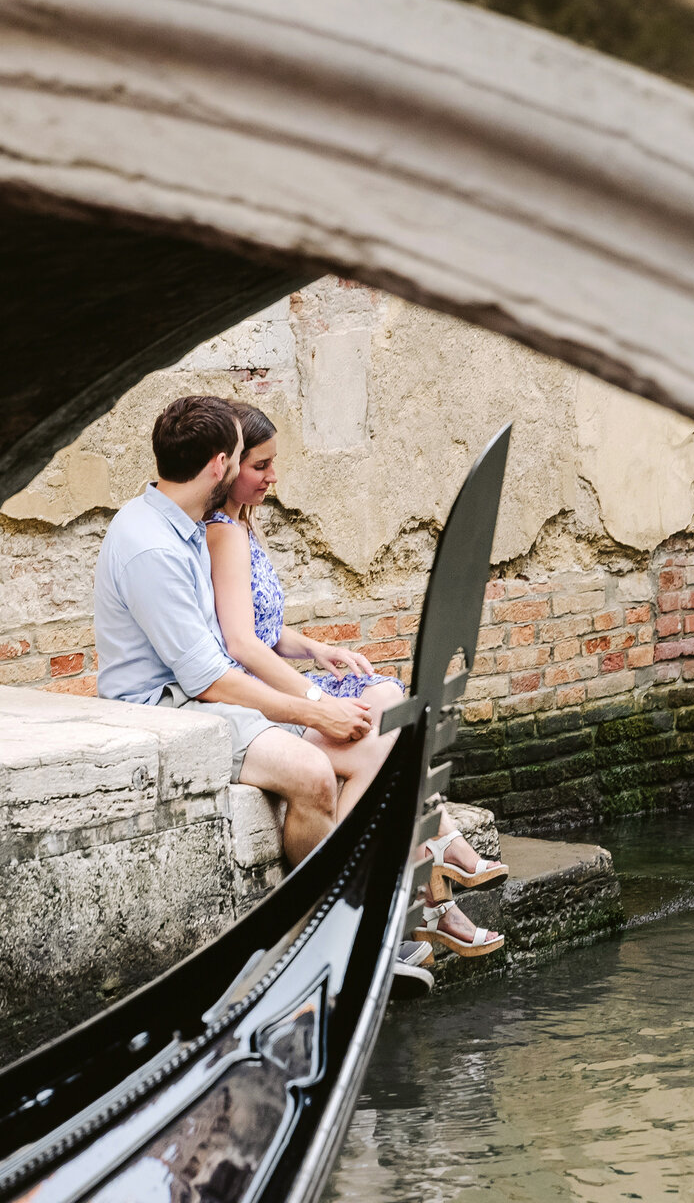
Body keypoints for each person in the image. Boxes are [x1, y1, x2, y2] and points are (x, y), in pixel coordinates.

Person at [206, 401, 506, 957]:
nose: (273, 477)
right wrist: (315, 698)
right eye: (260, 466)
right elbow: (240, 644)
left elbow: (265, 630)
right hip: (259, 699)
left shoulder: (244, 526)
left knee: (393, 697)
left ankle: (432, 881)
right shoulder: (222, 534)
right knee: (388, 727)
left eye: (273, 464)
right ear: (228, 468)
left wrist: (318, 649)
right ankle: (414, 876)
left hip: (278, 678)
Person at [94, 394, 388, 867]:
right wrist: (314, 710)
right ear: (220, 465)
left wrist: (314, 696)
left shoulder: (181, 524)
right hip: (166, 708)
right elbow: (208, 678)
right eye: (240, 460)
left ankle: (360, 894)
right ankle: (323, 916)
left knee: (378, 749)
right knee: (313, 772)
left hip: (204, 694)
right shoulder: (151, 547)